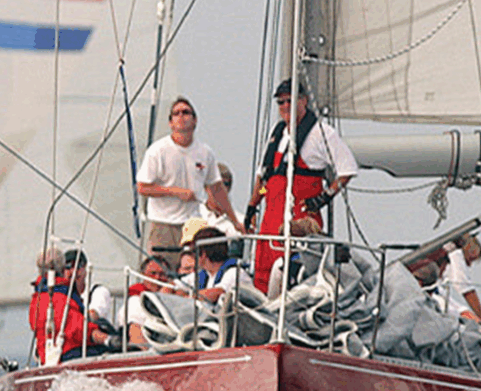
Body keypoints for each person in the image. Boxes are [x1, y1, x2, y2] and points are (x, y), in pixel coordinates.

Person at [246, 79, 358, 293]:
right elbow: (264, 178)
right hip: (270, 221)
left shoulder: (321, 133)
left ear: (304, 101)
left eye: (290, 100)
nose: (285, 106)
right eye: (281, 102)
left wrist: (324, 197)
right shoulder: (277, 133)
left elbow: (347, 169)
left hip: (300, 221)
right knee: (262, 276)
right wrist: (252, 207)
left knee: (294, 277)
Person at [136, 97, 244, 269]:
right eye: (176, 113)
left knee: (192, 272)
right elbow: (142, 187)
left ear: (195, 121)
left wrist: (235, 221)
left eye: (186, 112)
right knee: (162, 272)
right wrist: (175, 191)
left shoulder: (204, 152)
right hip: (163, 223)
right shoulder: (157, 151)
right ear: (170, 123)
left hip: (192, 223)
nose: (181, 116)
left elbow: (216, 188)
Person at [29, 249, 117, 364]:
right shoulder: (59, 297)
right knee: (118, 351)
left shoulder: (37, 299)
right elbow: (78, 329)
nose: (73, 271)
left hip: (50, 356)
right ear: (62, 269)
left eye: (78, 266)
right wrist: (108, 339)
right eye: (68, 266)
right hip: (68, 354)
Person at [189, 227, 252, 303]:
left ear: (203, 254)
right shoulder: (205, 274)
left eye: (193, 252)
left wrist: (187, 297)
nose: (192, 256)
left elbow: (217, 293)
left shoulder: (235, 272)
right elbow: (176, 285)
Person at [201, 163, 245, 237]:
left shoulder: (241, 221)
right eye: (215, 184)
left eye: (225, 184)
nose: (221, 189)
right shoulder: (193, 215)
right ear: (206, 187)